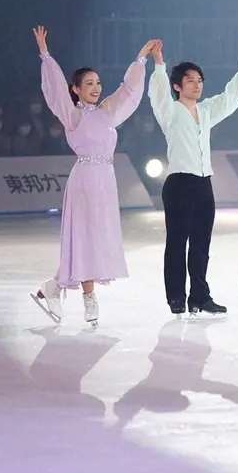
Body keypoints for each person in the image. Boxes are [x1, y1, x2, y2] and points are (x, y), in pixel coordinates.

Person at [29, 26, 155, 325]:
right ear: (77, 90)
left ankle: (54, 287)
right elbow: (56, 90)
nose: (96, 87)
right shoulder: (72, 114)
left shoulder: (107, 111)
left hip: (106, 182)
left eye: (98, 82)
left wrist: (140, 61)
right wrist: (46, 55)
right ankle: (88, 298)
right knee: (83, 238)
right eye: (88, 83)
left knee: (98, 238)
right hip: (84, 181)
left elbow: (128, 92)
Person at [150, 41, 238, 316]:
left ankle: (199, 296)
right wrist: (159, 64)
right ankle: (176, 297)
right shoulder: (170, 112)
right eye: (190, 81)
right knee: (176, 243)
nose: (197, 85)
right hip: (179, 183)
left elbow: (231, 98)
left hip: (203, 183)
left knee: (201, 244)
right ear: (177, 86)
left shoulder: (206, 111)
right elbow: (157, 94)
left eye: (200, 80)